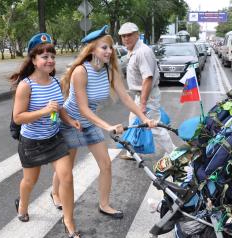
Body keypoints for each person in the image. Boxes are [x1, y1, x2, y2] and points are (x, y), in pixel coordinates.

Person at [52, 25, 156, 219]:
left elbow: (125, 98)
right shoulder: (80, 72)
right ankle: (55, 192)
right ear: (92, 49)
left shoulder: (110, 71)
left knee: (106, 164)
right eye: (104, 47)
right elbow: (82, 107)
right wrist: (107, 126)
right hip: (70, 122)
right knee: (67, 167)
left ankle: (104, 204)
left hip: (90, 123)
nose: (109, 51)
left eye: (110, 47)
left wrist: (144, 118)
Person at [10, 33, 81, 238]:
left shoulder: (55, 82)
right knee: (30, 181)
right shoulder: (26, 85)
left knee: (67, 176)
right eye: (44, 56)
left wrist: (69, 120)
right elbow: (18, 117)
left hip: (54, 138)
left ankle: (68, 220)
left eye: (52, 56)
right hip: (32, 142)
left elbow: (58, 108)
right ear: (33, 60)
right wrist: (42, 111)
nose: (50, 60)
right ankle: (22, 205)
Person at [118, 22, 176, 160]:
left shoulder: (142, 52)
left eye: (129, 35)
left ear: (137, 35)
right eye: (123, 36)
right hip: (141, 95)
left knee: (154, 126)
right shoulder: (133, 51)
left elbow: (148, 78)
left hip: (147, 95)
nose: (126, 38)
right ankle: (132, 151)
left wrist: (143, 103)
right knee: (133, 122)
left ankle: (174, 154)